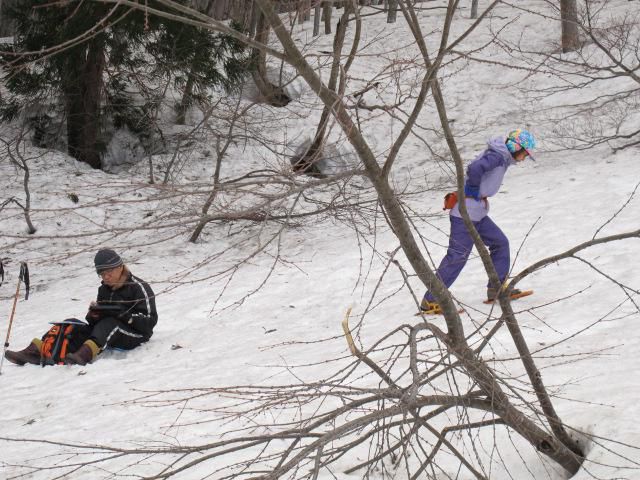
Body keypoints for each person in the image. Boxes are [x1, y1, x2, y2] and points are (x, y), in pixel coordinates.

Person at [421, 129, 536, 314]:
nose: (523, 158)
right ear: (516, 147)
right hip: (465, 215)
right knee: (457, 256)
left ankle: (496, 288)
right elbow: (475, 169)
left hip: (478, 213)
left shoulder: (502, 156)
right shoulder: (497, 156)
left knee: (500, 243)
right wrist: (473, 187)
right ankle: (431, 300)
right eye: (524, 153)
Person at [4, 248, 158, 366]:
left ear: (119, 267)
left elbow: (150, 321)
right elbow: (96, 324)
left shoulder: (138, 287)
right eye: (102, 274)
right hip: (108, 331)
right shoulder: (104, 289)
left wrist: (124, 315)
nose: (106, 277)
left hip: (136, 334)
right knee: (70, 323)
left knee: (110, 324)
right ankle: (36, 351)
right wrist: (93, 315)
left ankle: (83, 356)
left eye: (109, 272)